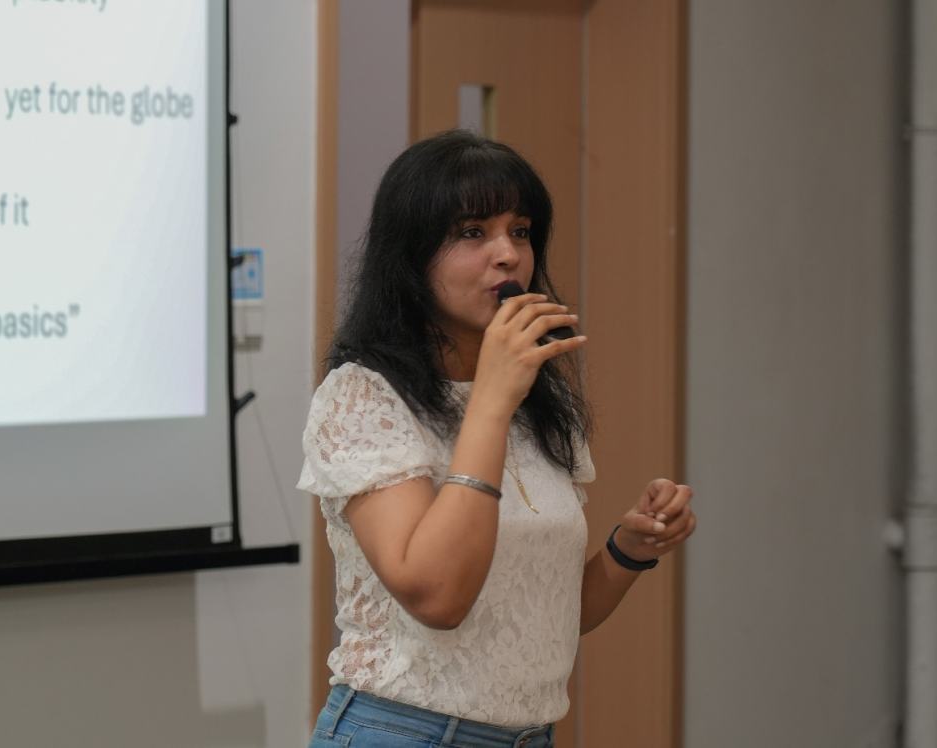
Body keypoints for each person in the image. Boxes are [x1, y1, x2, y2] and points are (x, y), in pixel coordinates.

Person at [297, 129, 696, 748]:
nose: (508, 255)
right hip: (401, 731)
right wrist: (490, 399)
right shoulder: (363, 396)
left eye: (521, 231)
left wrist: (628, 548)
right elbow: (438, 597)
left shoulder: (540, 396)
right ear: (410, 255)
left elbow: (537, 617)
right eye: (472, 232)